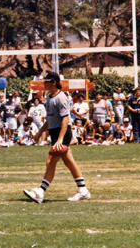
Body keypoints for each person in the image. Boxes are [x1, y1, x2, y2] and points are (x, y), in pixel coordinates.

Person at [23, 71, 90, 203]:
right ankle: (83, 190)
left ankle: (40, 192)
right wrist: (39, 133)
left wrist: (60, 139)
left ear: (54, 82)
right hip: (55, 132)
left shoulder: (61, 98)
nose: (44, 84)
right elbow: (49, 119)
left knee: (51, 161)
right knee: (68, 161)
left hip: (62, 133)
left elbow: (65, 119)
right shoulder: (49, 97)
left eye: (47, 82)